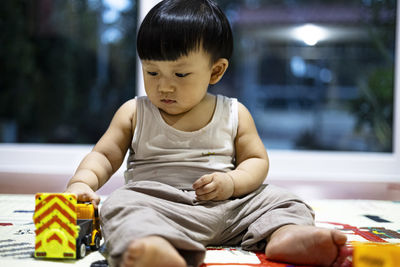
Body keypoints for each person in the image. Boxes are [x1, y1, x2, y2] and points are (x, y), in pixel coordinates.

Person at [66, 1, 350, 266]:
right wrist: (82, 183)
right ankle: (154, 246)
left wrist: (232, 182)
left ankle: (286, 235)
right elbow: (103, 155)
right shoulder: (134, 112)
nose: (164, 86)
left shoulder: (234, 113)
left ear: (215, 72)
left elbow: (256, 161)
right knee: (119, 204)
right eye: (152, 72)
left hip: (229, 209)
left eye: (180, 75)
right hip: (157, 208)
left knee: (286, 200)